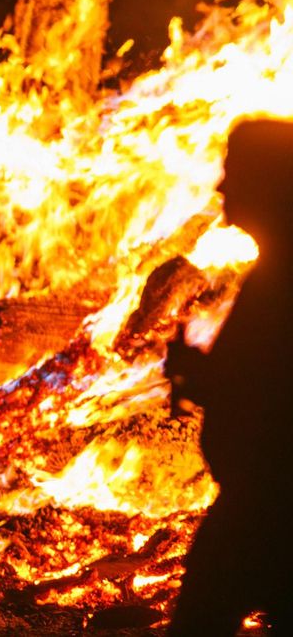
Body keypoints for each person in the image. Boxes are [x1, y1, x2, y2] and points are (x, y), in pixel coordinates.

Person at [166, 120, 293, 636]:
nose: (221, 187)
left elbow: (271, 394)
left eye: (233, 173)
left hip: (264, 508)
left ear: (268, 182)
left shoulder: (282, 279)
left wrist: (205, 378)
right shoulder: (273, 270)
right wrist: (205, 374)